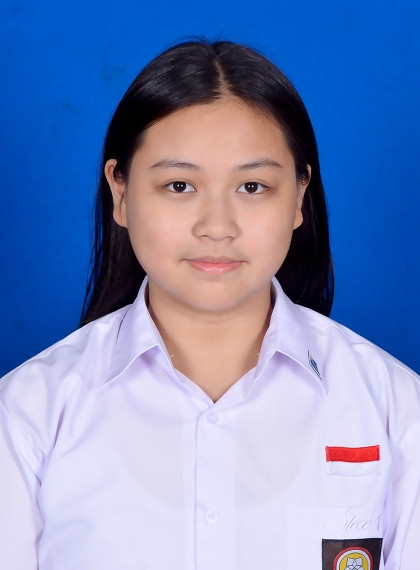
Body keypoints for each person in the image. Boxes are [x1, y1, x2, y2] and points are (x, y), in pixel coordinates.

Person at [0, 39, 419, 570]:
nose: (216, 227)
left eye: (253, 186)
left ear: (299, 196)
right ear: (121, 193)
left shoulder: (396, 408)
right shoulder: (27, 414)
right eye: (179, 185)